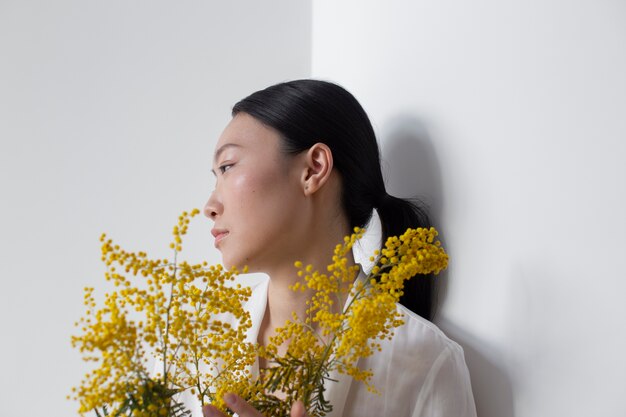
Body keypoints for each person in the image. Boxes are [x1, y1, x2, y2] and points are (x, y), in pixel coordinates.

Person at [199, 80, 477, 417]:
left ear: (314, 168)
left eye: (227, 167)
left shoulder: (423, 361)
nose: (210, 206)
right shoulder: (196, 343)